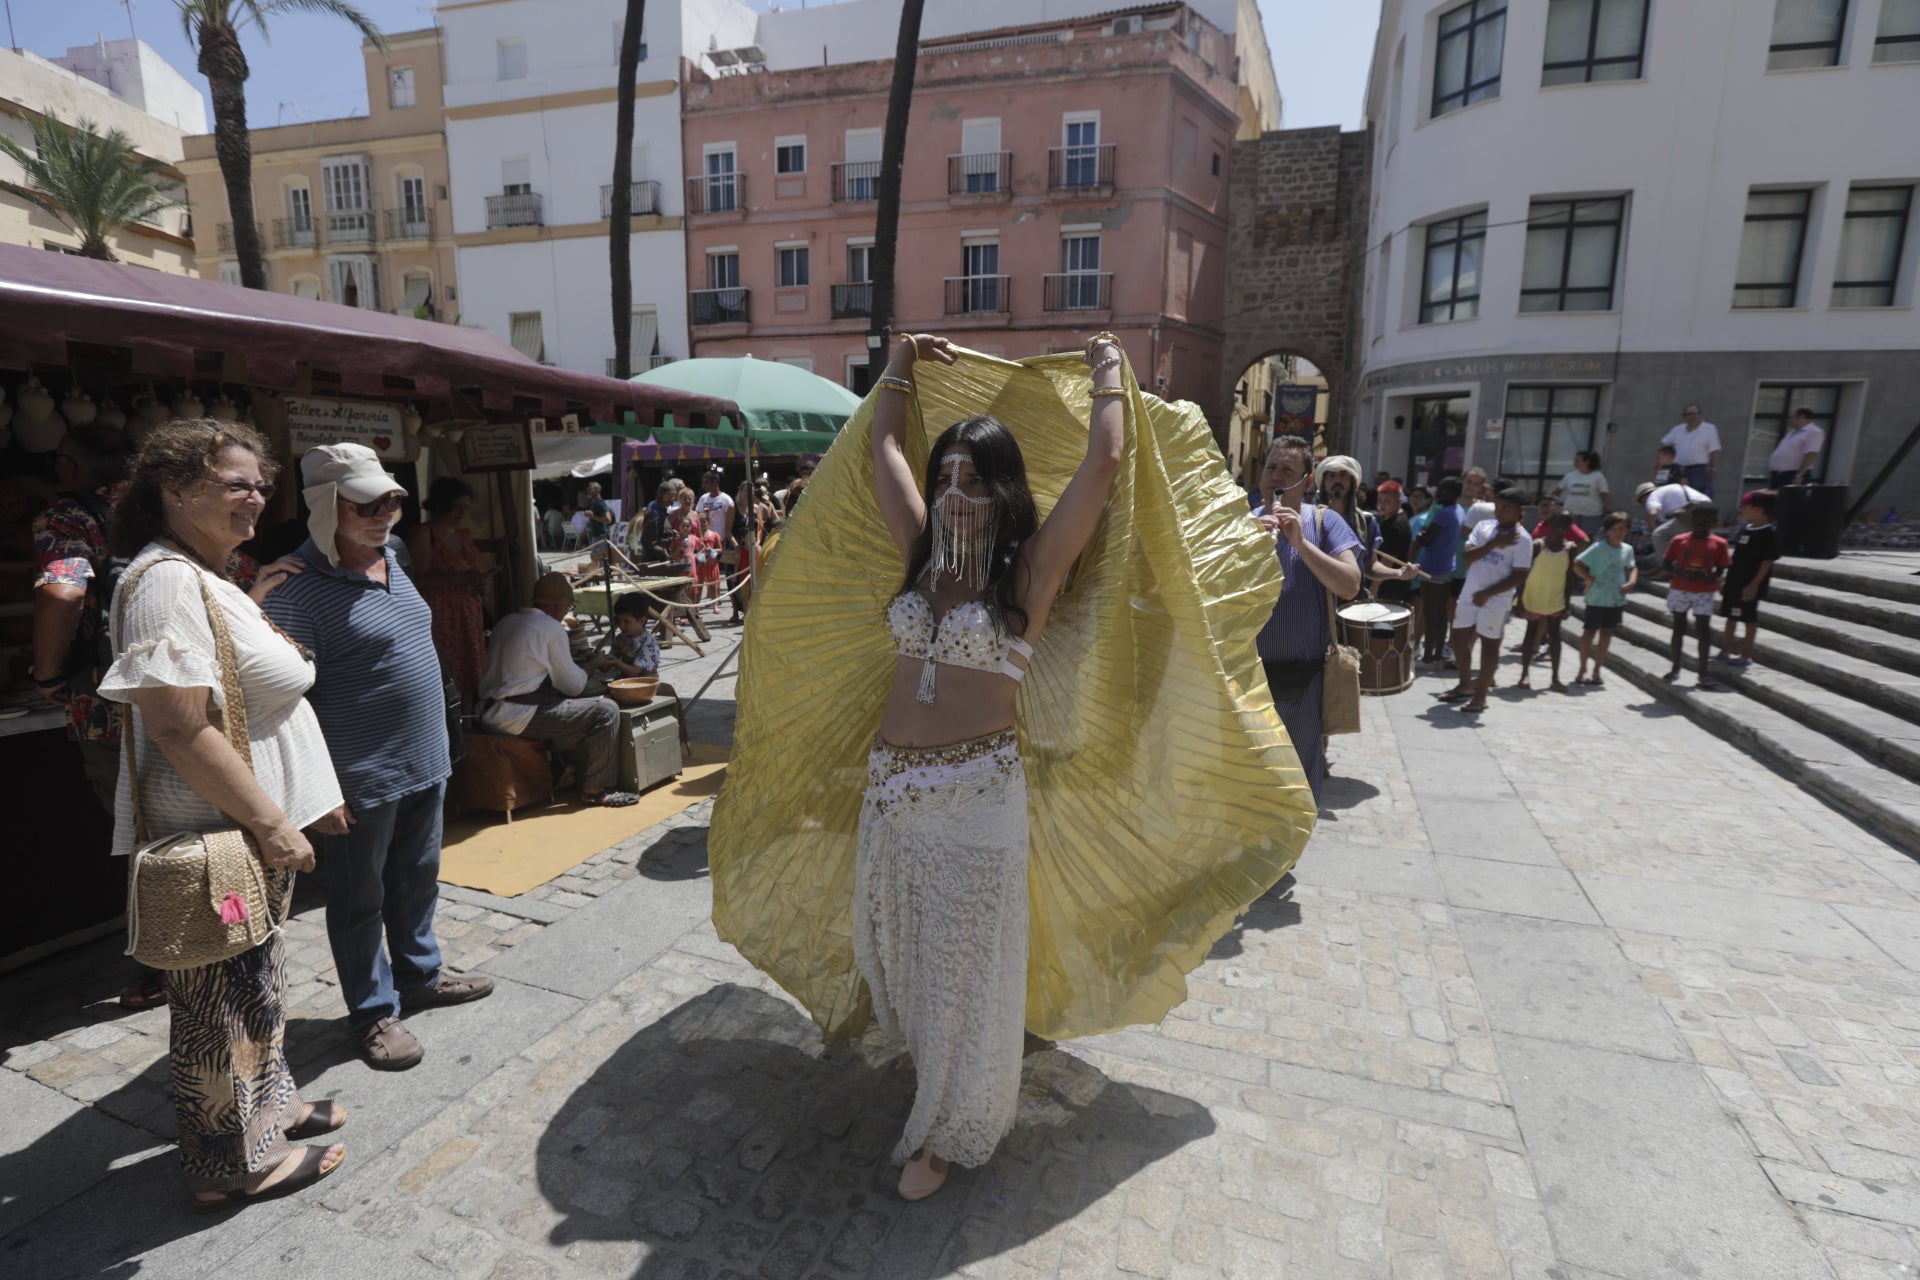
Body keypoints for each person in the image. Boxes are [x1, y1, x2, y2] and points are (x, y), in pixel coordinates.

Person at [841, 329, 1125, 1202]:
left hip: (975, 801)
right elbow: (883, 442)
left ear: (1002, 488)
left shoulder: (1029, 571)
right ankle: (941, 1076)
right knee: (905, 966)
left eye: (974, 478)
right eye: (948, 478)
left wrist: (1107, 363)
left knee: (964, 974)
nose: (956, 494)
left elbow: (1105, 463)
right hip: (890, 795)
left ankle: (947, 1132)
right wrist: (898, 359)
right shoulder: (922, 550)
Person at [98, 418, 350, 1208]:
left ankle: (272, 1108)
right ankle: (227, 1165)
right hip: (215, 836)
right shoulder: (167, 581)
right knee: (217, 1008)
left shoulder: (201, 575)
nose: (256, 498)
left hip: (242, 834)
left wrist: (305, 799)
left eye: (261, 484)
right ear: (175, 490)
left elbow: (240, 691)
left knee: (258, 983)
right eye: (235, 483)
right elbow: (176, 722)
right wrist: (273, 822)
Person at [265, 445, 493, 1072]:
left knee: (418, 877)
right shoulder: (296, 589)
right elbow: (283, 703)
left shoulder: (394, 558)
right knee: (359, 897)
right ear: (323, 507)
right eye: (365, 504)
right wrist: (315, 788)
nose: (383, 514)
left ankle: (419, 976)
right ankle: (373, 1012)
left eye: (391, 500)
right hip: (358, 774)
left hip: (425, 756)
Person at [1254, 435, 1363, 805]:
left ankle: (1283, 851)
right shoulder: (1239, 522)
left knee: (1294, 779)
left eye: (1288, 469)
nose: (1276, 476)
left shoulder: (1324, 521)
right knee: (1246, 775)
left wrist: (1301, 543)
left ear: (1307, 481)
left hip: (1303, 682)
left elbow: (1349, 585)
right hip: (1245, 679)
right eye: (1271, 467)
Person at [477, 574, 638, 807]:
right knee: (606, 710)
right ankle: (595, 788)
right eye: (568, 606)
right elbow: (572, 686)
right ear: (558, 605)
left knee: (571, 707)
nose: (566, 611)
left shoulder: (507, 621)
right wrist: (593, 665)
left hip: (487, 711)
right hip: (516, 717)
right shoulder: (551, 628)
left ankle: (563, 770)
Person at [1439, 487, 1533, 714]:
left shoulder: (1524, 540)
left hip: (1496, 600)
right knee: (1459, 639)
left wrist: (1488, 593)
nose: (1500, 512)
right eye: (1497, 507)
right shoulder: (1484, 528)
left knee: (1489, 646)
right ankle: (1465, 685)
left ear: (1520, 511)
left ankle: (1481, 696)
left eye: (1506, 509)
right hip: (1470, 593)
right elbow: (1467, 556)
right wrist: (1493, 544)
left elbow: (1520, 574)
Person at [404, 476, 495, 704]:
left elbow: (471, 574)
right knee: (449, 669)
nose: (463, 513)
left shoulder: (463, 536)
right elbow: (418, 580)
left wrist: (481, 580)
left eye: (466, 507)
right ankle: (452, 726)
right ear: (441, 505)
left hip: (468, 612)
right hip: (442, 614)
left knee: (471, 667)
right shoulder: (425, 534)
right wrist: (463, 577)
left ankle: (469, 721)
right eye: (457, 507)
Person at [606, 593, 689, 750]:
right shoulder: (621, 638)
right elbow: (607, 666)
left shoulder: (648, 642)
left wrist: (615, 661)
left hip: (645, 688)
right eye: (619, 621)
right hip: (624, 686)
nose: (621, 626)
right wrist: (599, 660)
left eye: (626, 621)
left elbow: (634, 672)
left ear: (642, 621)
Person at [1662, 502, 1730, 687]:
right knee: (1679, 628)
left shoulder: (1720, 543)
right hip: (1680, 587)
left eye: (1707, 520)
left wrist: (1708, 576)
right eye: (1698, 519)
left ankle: (1703, 672)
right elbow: (1667, 563)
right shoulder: (1679, 540)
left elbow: (1722, 568)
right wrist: (1681, 572)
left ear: (1714, 522)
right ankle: (1675, 668)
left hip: (1704, 591)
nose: (1702, 523)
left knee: (1703, 630)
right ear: (1692, 520)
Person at [1714, 490, 1781, 670]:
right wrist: (1726, 579)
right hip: (1735, 582)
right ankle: (1725, 651)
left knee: (1749, 619)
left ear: (1758, 510)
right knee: (1730, 616)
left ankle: (1746, 654)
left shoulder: (1768, 533)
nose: (1741, 510)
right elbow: (1736, 558)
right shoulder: (1747, 530)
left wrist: (1753, 585)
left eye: (1745, 507)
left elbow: (1767, 561)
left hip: (1749, 585)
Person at [1573, 512, 1637, 687]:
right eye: (1614, 529)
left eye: (1622, 529)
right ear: (1608, 531)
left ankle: (1597, 670)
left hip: (1615, 598)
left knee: (1607, 633)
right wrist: (1589, 579)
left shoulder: (1627, 549)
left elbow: (1632, 567)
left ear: (1627, 531)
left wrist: (1632, 581)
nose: (1618, 532)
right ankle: (1582, 669)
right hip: (1597, 598)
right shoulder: (1598, 547)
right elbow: (1577, 563)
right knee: (1589, 632)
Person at [1516, 512, 1574, 693]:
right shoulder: (1538, 545)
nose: (1562, 526)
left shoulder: (1570, 548)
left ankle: (1555, 678)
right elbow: (1523, 573)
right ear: (1551, 523)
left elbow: (1570, 576)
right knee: (1530, 634)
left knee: (1555, 638)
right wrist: (1519, 599)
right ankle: (1524, 674)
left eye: (1567, 523)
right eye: (1559, 521)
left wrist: (1567, 601)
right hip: (1534, 596)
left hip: (1555, 598)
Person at [1411, 477, 1463, 666]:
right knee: (1441, 614)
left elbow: (1425, 538)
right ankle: (1438, 652)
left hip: (1433, 568)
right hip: (1448, 566)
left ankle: (1428, 656)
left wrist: (1420, 537)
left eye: (1442, 490)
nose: (1438, 494)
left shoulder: (1443, 514)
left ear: (1453, 494)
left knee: (1431, 614)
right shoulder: (1457, 511)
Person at [1637, 478, 1712, 566]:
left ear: (1644, 497)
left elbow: (1653, 513)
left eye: (1642, 502)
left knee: (1658, 535)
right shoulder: (1667, 492)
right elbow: (1668, 524)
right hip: (1709, 511)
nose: (1644, 505)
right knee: (1679, 539)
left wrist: (1650, 531)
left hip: (1692, 513)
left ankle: (1666, 569)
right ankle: (1677, 565)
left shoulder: (1653, 496)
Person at [1373, 481, 1417, 608]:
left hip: (1389, 585)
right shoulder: (1394, 519)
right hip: (1393, 582)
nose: (1382, 505)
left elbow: (1388, 560)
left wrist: (1375, 586)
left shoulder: (1395, 525)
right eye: (1380, 500)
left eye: (1387, 501)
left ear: (1399, 501)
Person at [1661, 406, 1721, 496]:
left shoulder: (1709, 429)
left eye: (1694, 413)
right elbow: (1665, 442)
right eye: (1688, 414)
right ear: (1684, 417)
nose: (1692, 416)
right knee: (1676, 495)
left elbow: (1714, 450)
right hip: (1678, 469)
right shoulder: (1678, 429)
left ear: (1699, 414)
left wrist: (1713, 469)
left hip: (1697, 470)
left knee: (1693, 496)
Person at [1556, 451, 1611, 540]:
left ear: (1587, 462)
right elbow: (1558, 491)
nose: (1575, 463)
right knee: (1569, 536)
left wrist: (1608, 512)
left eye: (1578, 460)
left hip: (1592, 514)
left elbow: (1605, 495)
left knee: (1587, 538)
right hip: (1571, 513)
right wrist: (1554, 504)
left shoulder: (1598, 477)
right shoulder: (1570, 476)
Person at [1768, 408, 1824, 488]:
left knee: (1789, 500)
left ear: (1802, 417)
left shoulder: (1814, 432)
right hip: (1779, 475)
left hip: (1793, 475)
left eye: (1792, 417)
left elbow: (1812, 454)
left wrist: (1799, 475)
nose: (1789, 420)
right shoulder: (1793, 432)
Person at [638, 481, 676, 562]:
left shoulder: (662, 509)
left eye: (673, 496)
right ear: (660, 494)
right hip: (655, 560)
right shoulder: (654, 513)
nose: (672, 499)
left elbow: (659, 530)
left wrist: (671, 533)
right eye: (669, 496)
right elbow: (648, 540)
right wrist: (663, 554)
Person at [581, 481, 613, 560]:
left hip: (601, 535)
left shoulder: (601, 503)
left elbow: (608, 519)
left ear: (597, 490)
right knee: (594, 558)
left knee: (602, 559)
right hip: (595, 535)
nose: (588, 490)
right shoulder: (594, 503)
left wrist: (592, 517)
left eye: (590, 489)